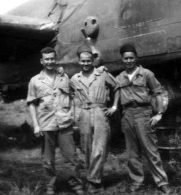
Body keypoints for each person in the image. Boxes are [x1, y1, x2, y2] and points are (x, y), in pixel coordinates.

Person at [27, 47, 84, 195]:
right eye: (47, 59)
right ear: (42, 61)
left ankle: (76, 185)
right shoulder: (35, 81)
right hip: (46, 125)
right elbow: (32, 103)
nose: (50, 62)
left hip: (65, 123)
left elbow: (71, 98)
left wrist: (72, 114)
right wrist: (36, 125)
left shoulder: (64, 77)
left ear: (55, 59)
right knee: (48, 160)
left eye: (52, 58)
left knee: (71, 158)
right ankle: (50, 186)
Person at [115, 44, 170, 194]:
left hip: (143, 113)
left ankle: (162, 182)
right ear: (122, 59)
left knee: (151, 150)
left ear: (136, 58)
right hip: (127, 115)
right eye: (126, 58)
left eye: (131, 58)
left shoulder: (146, 74)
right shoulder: (119, 77)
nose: (129, 61)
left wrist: (159, 113)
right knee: (132, 152)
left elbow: (158, 92)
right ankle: (136, 181)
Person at [70, 45, 119, 194]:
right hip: (84, 114)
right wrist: (74, 113)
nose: (85, 64)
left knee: (100, 148)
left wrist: (114, 107)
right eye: (83, 61)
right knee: (87, 149)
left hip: (100, 112)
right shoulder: (74, 79)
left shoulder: (102, 74)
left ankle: (93, 181)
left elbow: (117, 87)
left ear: (92, 61)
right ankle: (95, 180)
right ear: (79, 61)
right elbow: (69, 94)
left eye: (88, 61)